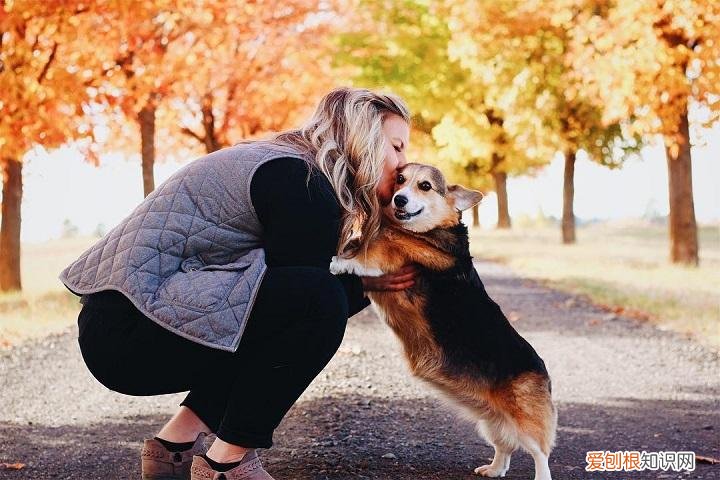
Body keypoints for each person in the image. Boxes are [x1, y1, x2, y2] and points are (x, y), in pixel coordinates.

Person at [58, 86, 419, 480]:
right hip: (132, 335)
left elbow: (275, 306)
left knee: (317, 297)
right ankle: (226, 465)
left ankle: (175, 446)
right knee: (318, 300)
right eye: (397, 147)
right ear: (363, 139)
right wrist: (372, 276)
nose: (404, 164)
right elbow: (310, 304)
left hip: (122, 328)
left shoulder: (287, 164)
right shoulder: (303, 182)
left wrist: (373, 278)